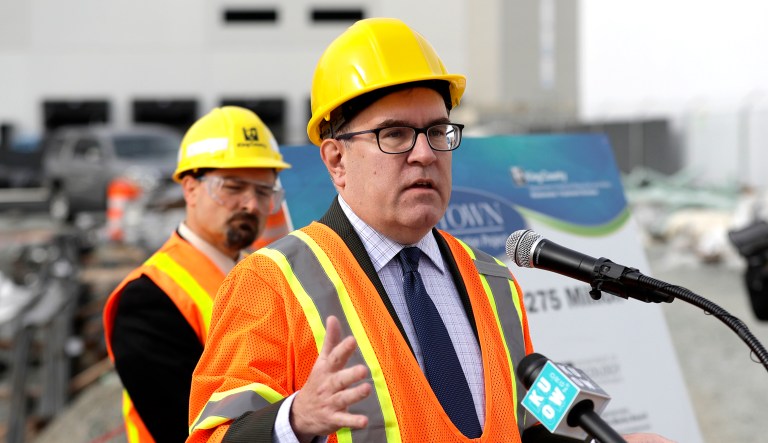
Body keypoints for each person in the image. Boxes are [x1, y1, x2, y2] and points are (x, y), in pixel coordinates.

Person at [187, 18, 675, 443]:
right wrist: (294, 420)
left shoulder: (493, 281)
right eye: (394, 134)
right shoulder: (270, 283)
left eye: (438, 131)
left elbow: (522, 432)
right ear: (336, 160)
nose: (424, 153)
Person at [103, 106, 291, 443]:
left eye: (264, 191)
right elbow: (183, 427)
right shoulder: (147, 298)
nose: (250, 204)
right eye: (233, 187)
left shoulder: (269, 275)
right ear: (190, 189)